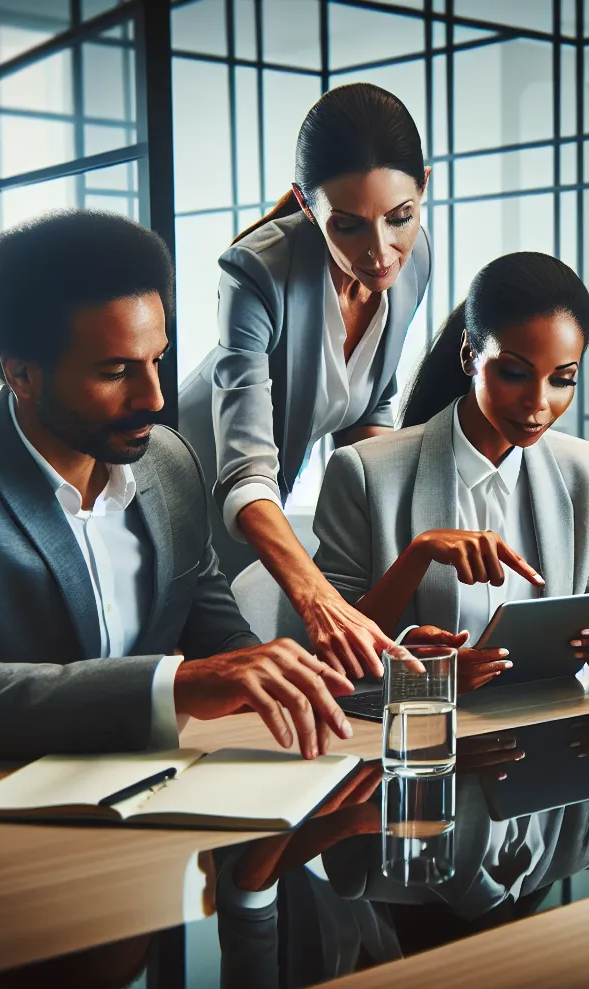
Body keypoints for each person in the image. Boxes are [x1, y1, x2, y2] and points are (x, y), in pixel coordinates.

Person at [0, 210, 356, 762]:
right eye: (115, 373)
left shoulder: (168, 464)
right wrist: (174, 685)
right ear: (21, 374)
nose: (154, 399)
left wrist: (357, 669)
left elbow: (226, 650)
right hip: (0, 809)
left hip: (157, 795)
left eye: (156, 361)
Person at [177, 82, 432, 682]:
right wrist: (323, 602)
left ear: (424, 184)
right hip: (182, 489)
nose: (380, 253)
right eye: (346, 225)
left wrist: (392, 554)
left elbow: (370, 400)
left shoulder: (416, 258)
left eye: (400, 217)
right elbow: (244, 470)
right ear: (304, 202)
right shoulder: (255, 271)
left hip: (260, 508)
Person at [311, 252, 589, 688]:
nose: (539, 403)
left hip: (549, 732)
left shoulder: (582, 470)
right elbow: (330, 652)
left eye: (562, 379)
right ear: (470, 355)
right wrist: (430, 669)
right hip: (422, 742)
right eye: (515, 373)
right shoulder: (365, 473)